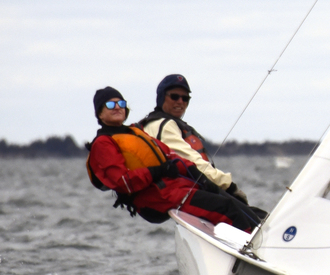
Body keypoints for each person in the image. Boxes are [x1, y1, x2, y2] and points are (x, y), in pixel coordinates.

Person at [85, 87, 265, 232]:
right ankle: (257, 251)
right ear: (100, 113)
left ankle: (267, 236)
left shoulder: (134, 132)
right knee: (227, 209)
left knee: (236, 203)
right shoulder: (103, 144)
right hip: (157, 198)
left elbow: (170, 155)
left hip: (177, 188)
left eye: (121, 103)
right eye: (110, 104)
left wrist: (197, 174)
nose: (117, 107)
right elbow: (123, 181)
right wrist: (157, 171)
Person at [137, 73, 250, 204]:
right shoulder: (163, 125)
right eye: (174, 96)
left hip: (197, 190)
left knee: (255, 214)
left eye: (185, 98)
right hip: (184, 194)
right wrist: (229, 186)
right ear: (162, 97)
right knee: (252, 217)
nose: (180, 101)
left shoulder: (163, 123)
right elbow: (192, 162)